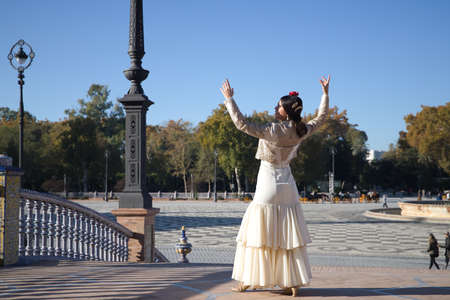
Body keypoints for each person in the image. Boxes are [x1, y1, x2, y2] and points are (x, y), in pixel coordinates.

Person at [220, 76, 330, 296]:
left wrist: (229, 100)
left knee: (257, 235)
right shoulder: (301, 131)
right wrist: (325, 94)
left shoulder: (272, 130)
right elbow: (322, 117)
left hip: (268, 183)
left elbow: (241, 123)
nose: (275, 107)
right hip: (288, 185)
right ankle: (292, 284)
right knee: (287, 236)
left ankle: (248, 282)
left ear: (286, 111)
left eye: (279, 105)